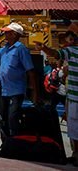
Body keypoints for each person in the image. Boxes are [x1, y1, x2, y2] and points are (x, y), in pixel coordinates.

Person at [36, 31, 77, 164]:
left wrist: (44, 48)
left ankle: (77, 155)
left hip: (74, 97)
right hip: (70, 95)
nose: (67, 43)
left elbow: (55, 54)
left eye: (70, 40)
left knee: (74, 126)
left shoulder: (71, 51)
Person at [0, 22, 38, 140]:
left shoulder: (21, 49)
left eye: (7, 32)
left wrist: (34, 92)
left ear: (14, 34)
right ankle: (5, 142)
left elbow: (30, 71)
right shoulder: (4, 49)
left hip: (16, 89)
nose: (5, 34)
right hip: (2, 87)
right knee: (2, 117)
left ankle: (15, 141)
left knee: (12, 117)